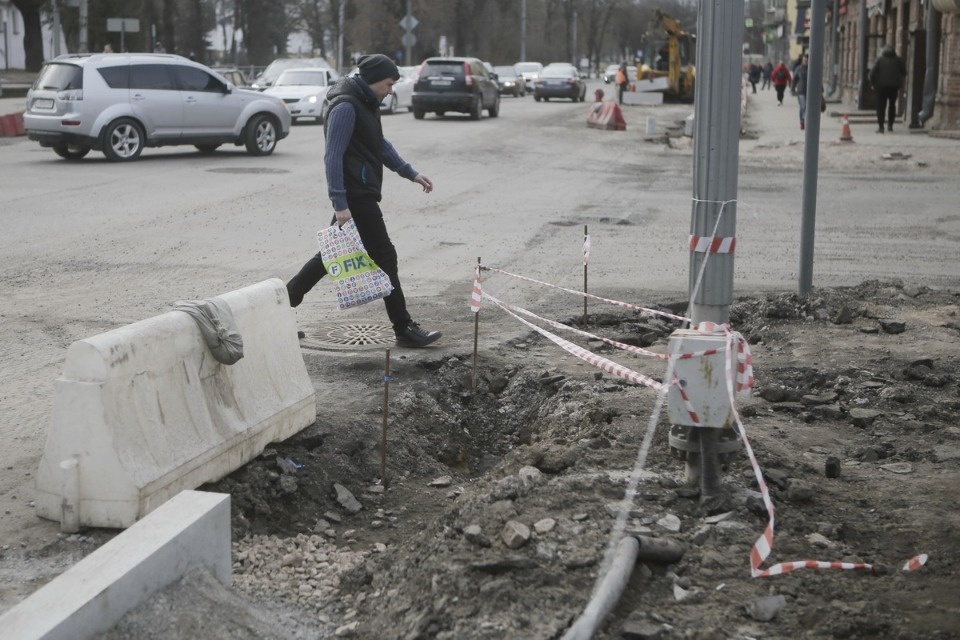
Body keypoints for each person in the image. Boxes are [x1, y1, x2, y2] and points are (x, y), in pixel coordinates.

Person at [286, 54, 441, 348]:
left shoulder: (366, 103)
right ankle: (404, 328)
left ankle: (279, 311)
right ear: (372, 81)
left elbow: (378, 143)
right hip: (355, 195)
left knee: (327, 258)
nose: (391, 90)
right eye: (388, 84)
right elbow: (333, 155)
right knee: (385, 256)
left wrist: (410, 172)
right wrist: (339, 203)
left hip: (361, 192)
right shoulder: (346, 106)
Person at [869, 45, 907, 133]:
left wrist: (873, 84)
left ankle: (881, 126)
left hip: (881, 87)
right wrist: (898, 79)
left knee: (881, 106)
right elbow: (904, 72)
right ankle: (890, 125)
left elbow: (872, 73)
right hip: (894, 87)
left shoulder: (879, 60)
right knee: (892, 105)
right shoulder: (898, 60)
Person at [791, 54, 809, 130]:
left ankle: (808, 122)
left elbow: (817, 79)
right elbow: (794, 79)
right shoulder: (799, 69)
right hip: (801, 91)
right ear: (802, 61)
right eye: (804, 60)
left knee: (809, 108)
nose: (806, 62)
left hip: (810, 92)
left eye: (807, 60)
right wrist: (792, 89)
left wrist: (821, 89)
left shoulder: (812, 68)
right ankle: (802, 121)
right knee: (803, 106)